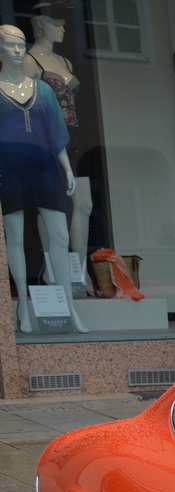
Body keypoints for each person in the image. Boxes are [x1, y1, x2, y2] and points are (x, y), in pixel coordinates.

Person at [0, 22, 80, 331]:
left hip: (45, 167)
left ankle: (70, 308)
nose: (18, 50)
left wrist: (68, 169)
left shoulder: (43, 89)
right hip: (10, 169)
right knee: (16, 237)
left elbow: (55, 132)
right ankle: (21, 307)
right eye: (10, 44)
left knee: (60, 236)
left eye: (21, 43)